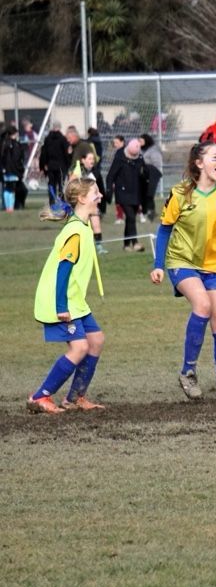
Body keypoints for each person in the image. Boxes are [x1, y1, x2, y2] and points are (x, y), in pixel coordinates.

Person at [151, 142, 216, 403]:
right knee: (203, 305)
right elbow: (165, 229)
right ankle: (188, 371)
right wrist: (158, 265)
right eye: (214, 157)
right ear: (199, 163)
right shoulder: (181, 193)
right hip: (182, 260)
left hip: (215, 265)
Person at [27, 177, 107, 413]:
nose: (100, 195)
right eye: (95, 192)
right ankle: (40, 396)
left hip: (76, 301)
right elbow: (63, 271)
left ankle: (75, 398)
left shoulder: (82, 226)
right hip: (60, 301)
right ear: (82, 199)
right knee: (80, 347)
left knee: (96, 340)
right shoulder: (74, 231)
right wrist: (61, 306)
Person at [105, 137, 147, 252]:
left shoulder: (139, 158)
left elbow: (144, 173)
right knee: (131, 217)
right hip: (122, 192)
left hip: (135, 192)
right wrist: (109, 190)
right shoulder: (119, 157)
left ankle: (126, 244)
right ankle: (135, 243)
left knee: (130, 219)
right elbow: (111, 175)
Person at [70, 151, 108, 254]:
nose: (92, 161)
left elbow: (101, 189)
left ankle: (99, 246)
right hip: (81, 205)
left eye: (93, 159)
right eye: (90, 158)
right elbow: (71, 186)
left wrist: (103, 204)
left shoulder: (96, 173)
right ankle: (81, 247)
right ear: (83, 160)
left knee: (96, 224)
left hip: (93, 204)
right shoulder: (78, 171)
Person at [39, 121, 67, 206]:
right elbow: (66, 153)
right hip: (61, 166)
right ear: (60, 127)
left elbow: (43, 153)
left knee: (51, 184)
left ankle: (52, 202)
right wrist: (67, 165)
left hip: (50, 165)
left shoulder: (47, 139)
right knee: (61, 185)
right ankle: (62, 201)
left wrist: (43, 166)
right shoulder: (62, 139)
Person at [140, 133, 164, 221]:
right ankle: (148, 211)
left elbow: (157, 163)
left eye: (141, 141)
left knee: (150, 193)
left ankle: (150, 212)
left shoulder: (154, 150)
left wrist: (146, 166)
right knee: (145, 193)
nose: (140, 143)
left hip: (153, 173)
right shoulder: (141, 150)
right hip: (145, 174)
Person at [1, 126, 24, 213]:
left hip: (5, 170)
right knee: (12, 189)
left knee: (7, 188)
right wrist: (20, 168)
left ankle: (7, 207)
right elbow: (17, 158)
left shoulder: (4, 143)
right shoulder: (15, 144)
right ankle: (10, 207)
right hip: (13, 170)